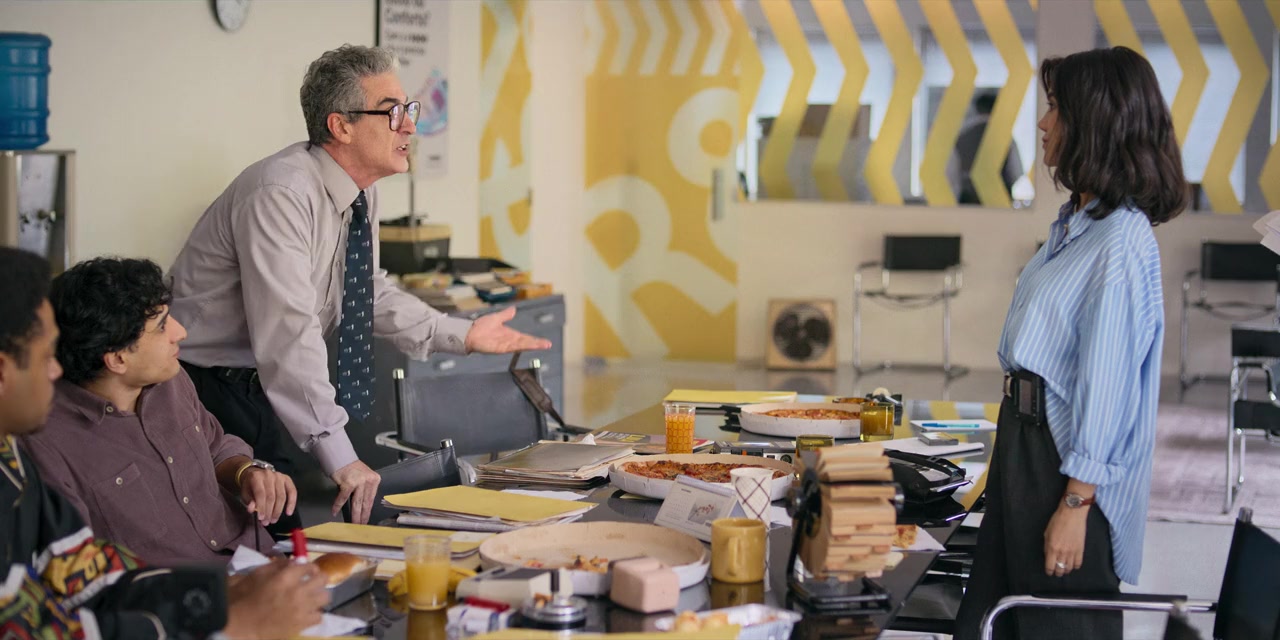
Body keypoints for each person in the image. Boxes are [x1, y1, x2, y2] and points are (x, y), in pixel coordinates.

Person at [168, 44, 551, 527]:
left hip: (260, 386)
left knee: (285, 537)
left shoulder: (361, 191)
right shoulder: (280, 193)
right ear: (341, 126)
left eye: (409, 110)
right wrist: (341, 456)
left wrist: (461, 332)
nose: (409, 126)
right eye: (392, 112)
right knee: (260, 542)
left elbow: (365, 293)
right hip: (207, 387)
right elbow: (288, 333)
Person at [954, 46, 1187, 639]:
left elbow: (1106, 387)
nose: (1042, 122)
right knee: (999, 620)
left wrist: (1076, 504)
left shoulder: (1120, 241)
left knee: (1055, 624)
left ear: (1095, 123)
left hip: (1058, 466)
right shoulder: (1075, 226)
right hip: (1023, 442)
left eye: (1056, 107)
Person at [0, 247, 328, 639]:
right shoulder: (39, 444)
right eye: (44, 357)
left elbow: (82, 567)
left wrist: (221, 597)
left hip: (236, 578)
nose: (56, 371)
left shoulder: (11, 459)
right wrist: (231, 622)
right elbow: (50, 624)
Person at [22, 257, 295, 567]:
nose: (181, 332)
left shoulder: (170, 379)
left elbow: (215, 447)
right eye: (162, 325)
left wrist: (246, 472)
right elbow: (78, 568)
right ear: (118, 359)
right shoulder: (47, 442)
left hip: (258, 560)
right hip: (182, 591)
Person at [949, 91, 1025, 204]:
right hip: (999, 202)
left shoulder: (962, 135)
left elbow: (952, 175)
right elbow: (1016, 172)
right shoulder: (1004, 136)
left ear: (976, 108)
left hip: (969, 203)